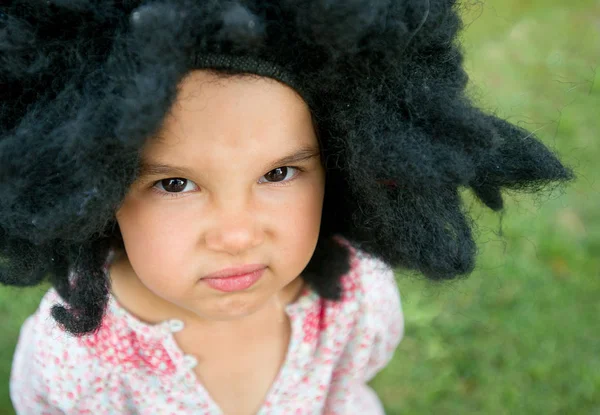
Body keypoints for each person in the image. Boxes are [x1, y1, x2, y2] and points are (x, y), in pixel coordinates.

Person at [0, 1, 573, 414]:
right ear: (93, 189)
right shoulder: (75, 360)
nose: (236, 234)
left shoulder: (353, 302)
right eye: (175, 184)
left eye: (278, 173)